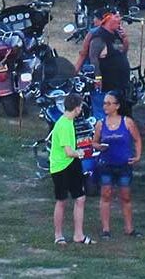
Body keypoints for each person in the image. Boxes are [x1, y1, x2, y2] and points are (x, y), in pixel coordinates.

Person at [93, 91, 142, 239]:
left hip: (124, 165)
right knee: (106, 195)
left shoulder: (127, 122)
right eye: (104, 103)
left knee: (126, 196)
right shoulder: (100, 124)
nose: (105, 106)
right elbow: (94, 142)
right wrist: (99, 147)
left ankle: (129, 228)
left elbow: (137, 139)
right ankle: (106, 229)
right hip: (106, 164)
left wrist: (138, 156)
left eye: (109, 103)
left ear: (117, 106)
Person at [49, 94, 92, 245]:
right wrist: (80, 153)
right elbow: (68, 151)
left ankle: (78, 235)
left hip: (70, 164)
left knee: (79, 198)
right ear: (77, 108)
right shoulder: (65, 124)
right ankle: (59, 235)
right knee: (62, 200)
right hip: (62, 166)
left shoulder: (65, 122)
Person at [86, 10, 133, 113]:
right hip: (107, 87)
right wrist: (98, 78)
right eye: (116, 17)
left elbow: (123, 51)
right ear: (107, 19)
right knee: (103, 113)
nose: (119, 19)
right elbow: (93, 59)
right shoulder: (99, 38)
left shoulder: (116, 33)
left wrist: (125, 38)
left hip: (120, 84)